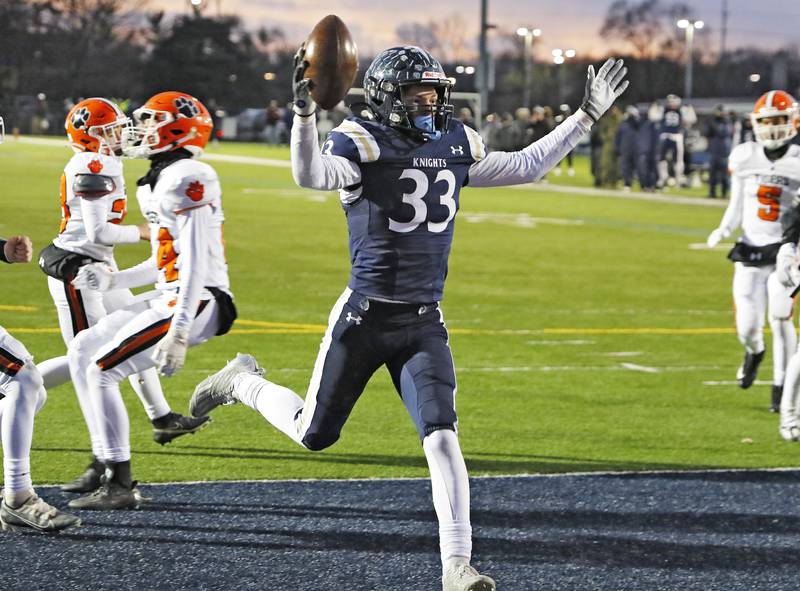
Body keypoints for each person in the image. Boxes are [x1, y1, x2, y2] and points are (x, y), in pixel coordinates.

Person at [189, 46, 628, 591]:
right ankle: (245, 382)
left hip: (423, 320)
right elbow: (309, 175)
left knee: (442, 432)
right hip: (365, 316)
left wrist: (585, 115)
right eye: (417, 93)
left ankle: (456, 565)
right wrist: (304, 117)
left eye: (435, 92)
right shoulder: (362, 140)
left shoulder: (456, 143)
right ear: (385, 98)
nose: (430, 102)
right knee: (315, 434)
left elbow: (526, 165)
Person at [63, 91, 237, 510]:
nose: (140, 129)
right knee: (83, 349)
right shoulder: (159, 180)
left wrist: (178, 331)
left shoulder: (189, 175)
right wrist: (114, 279)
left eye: (150, 121)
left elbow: (195, 262)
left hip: (199, 301)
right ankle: (103, 460)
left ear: (177, 129)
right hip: (175, 293)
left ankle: (119, 482)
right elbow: (165, 261)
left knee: (104, 370)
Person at [35, 98, 210, 495]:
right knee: (88, 358)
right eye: (110, 129)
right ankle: (22, 386)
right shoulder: (92, 164)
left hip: (100, 266)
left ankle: (161, 416)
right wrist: (145, 233)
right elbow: (100, 232)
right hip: (81, 272)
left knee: (129, 338)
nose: (121, 134)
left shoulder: (106, 162)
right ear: (90, 135)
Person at [706, 90, 800, 413]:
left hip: (786, 252)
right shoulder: (744, 155)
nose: (773, 127)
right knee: (747, 325)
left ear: (793, 121)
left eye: (778, 120)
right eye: (767, 121)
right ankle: (754, 351)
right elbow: (736, 203)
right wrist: (723, 228)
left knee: (780, 316)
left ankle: (782, 386)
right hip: (749, 247)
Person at [656, 94, 685, 188]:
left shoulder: (682, 111)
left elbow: (691, 119)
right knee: (661, 158)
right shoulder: (663, 110)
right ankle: (663, 178)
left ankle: (678, 179)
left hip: (676, 137)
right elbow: (653, 117)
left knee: (678, 160)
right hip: (665, 135)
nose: (671, 104)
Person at [704, 104, 733, 199]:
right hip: (714, 151)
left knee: (724, 175)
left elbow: (723, 133)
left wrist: (714, 124)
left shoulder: (727, 122)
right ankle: (712, 192)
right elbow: (707, 133)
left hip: (724, 152)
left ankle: (724, 193)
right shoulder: (712, 121)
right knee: (712, 174)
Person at [615, 105, 641, 191]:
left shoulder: (637, 125)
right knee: (625, 167)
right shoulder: (623, 124)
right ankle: (627, 183)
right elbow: (618, 137)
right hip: (625, 149)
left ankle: (642, 184)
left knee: (636, 167)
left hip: (635, 149)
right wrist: (617, 148)